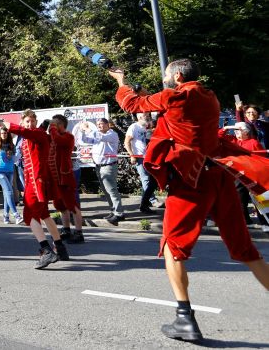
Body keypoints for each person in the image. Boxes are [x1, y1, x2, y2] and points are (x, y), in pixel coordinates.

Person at [111, 59, 269, 341]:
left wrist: (121, 83)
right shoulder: (209, 97)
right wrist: (147, 93)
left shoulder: (176, 96)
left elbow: (133, 105)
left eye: (167, 76)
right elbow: (171, 111)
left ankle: (185, 319)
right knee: (245, 248)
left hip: (191, 178)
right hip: (219, 175)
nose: (165, 80)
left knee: (173, 246)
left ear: (179, 76)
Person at [4, 110, 69, 269]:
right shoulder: (33, 135)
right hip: (34, 182)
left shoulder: (37, 134)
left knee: (29, 216)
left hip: (37, 182)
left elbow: (26, 132)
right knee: (45, 215)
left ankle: (46, 251)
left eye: (32, 121)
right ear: (23, 122)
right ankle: (60, 248)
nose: (30, 124)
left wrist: (3, 123)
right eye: (27, 121)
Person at [79, 118, 124, 225]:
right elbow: (85, 140)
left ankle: (119, 213)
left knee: (111, 190)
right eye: (98, 124)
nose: (99, 126)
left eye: (101, 124)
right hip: (99, 166)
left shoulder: (111, 134)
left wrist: (88, 129)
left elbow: (100, 137)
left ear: (108, 125)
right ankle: (113, 211)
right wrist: (82, 131)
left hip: (108, 166)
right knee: (106, 190)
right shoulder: (98, 135)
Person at [48, 115, 84, 244]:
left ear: (61, 125)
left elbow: (58, 140)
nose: (52, 125)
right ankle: (66, 230)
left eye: (55, 123)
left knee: (72, 205)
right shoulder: (53, 136)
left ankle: (79, 232)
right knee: (61, 205)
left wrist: (52, 128)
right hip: (56, 178)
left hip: (65, 177)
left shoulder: (68, 137)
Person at [126, 113, 158, 214]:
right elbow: (127, 141)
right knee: (146, 180)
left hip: (149, 157)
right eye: (145, 115)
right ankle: (152, 201)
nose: (148, 117)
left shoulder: (147, 127)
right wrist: (132, 155)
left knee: (151, 180)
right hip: (140, 157)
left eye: (148, 115)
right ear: (139, 117)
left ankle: (146, 201)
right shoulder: (134, 127)